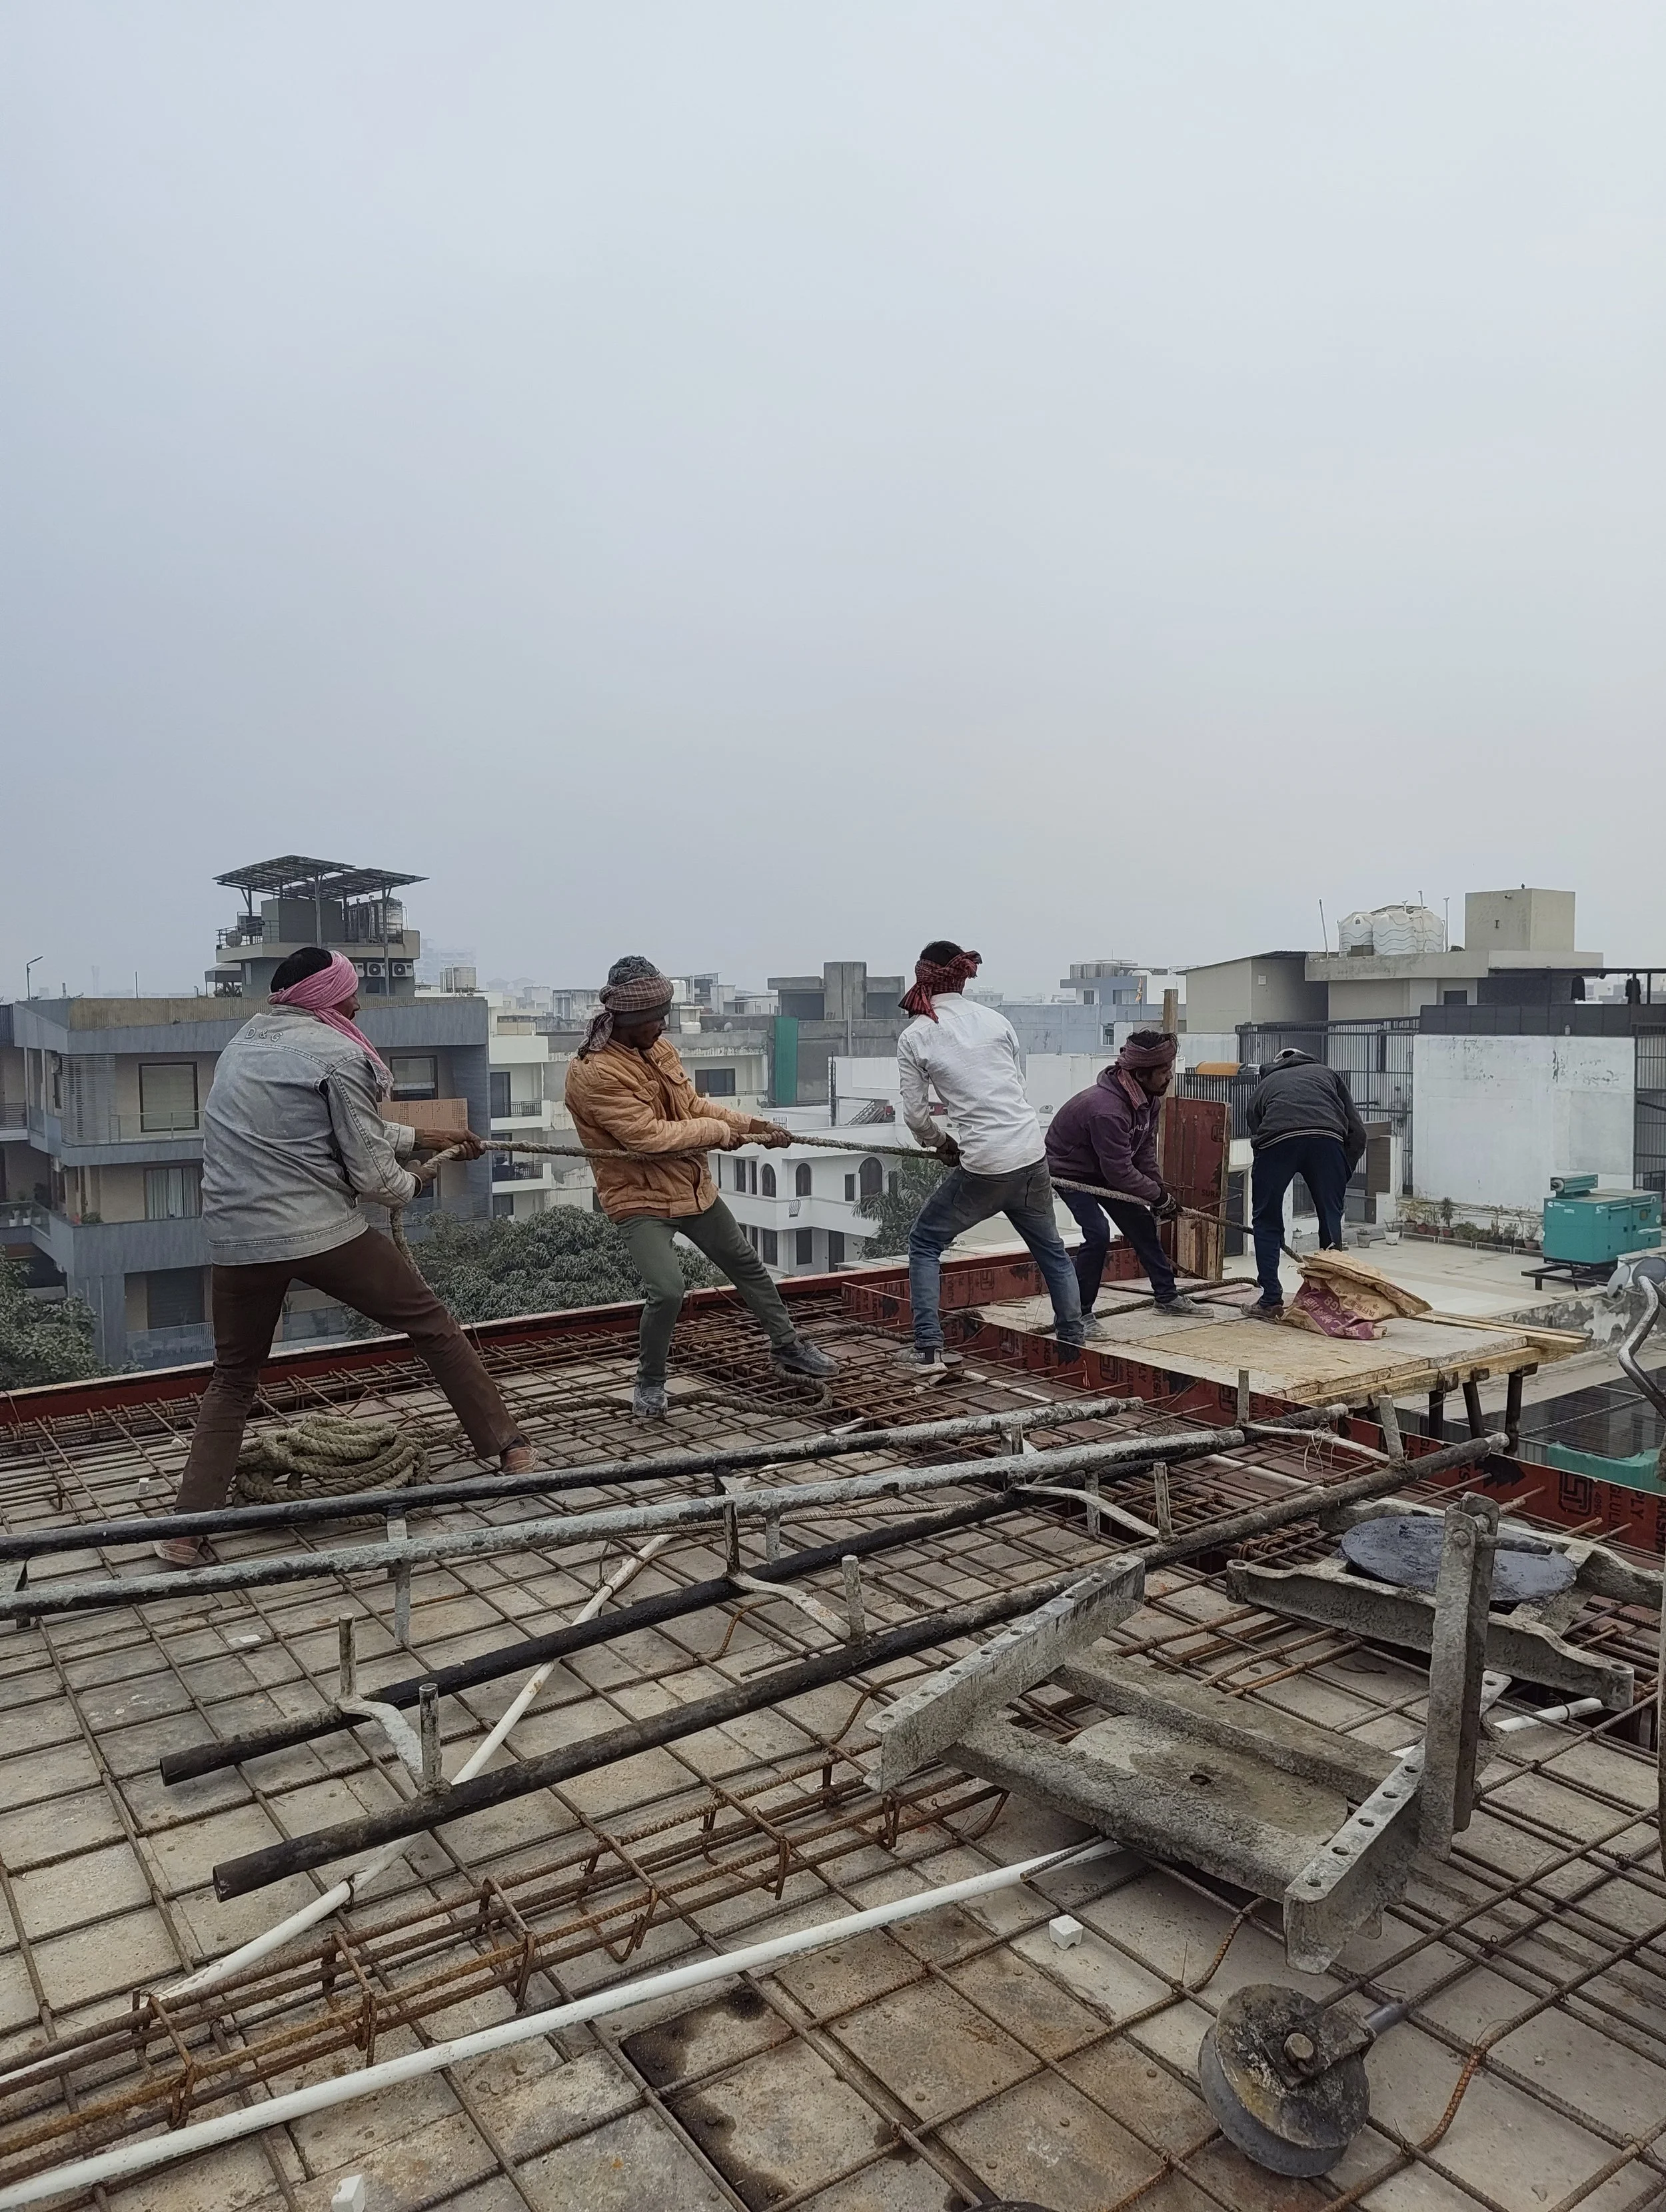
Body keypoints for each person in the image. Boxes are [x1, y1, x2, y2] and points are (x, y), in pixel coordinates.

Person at [162, 948, 535, 1564]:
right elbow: (374, 1175)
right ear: (326, 999)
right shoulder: (340, 1054)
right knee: (432, 1324)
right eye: (350, 994)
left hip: (236, 1240)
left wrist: (428, 1136)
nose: (357, 1005)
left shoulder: (243, 1045)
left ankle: (185, 1530)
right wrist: (416, 1180)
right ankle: (508, 1447)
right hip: (318, 1232)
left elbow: (341, 1126)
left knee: (233, 1378)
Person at [564, 956, 838, 1417]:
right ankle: (650, 1381)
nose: (663, 1025)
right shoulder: (594, 1073)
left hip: (691, 1186)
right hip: (639, 1198)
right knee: (668, 1290)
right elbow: (647, 1137)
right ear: (628, 1017)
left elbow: (692, 1106)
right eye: (655, 1018)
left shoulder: (659, 1049)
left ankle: (788, 1344)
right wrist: (719, 1134)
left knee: (746, 1264)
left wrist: (754, 1126)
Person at [896, 941, 1084, 1371]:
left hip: (983, 1165)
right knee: (1052, 1252)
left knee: (925, 1242)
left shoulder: (916, 1036)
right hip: (1030, 1154)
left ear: (923, 976)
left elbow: (916, 1117)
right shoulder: (996, 1021)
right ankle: (1073, 1343)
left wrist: (941, 1143)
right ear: (962, 978)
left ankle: (927, 1349)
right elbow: (1015, 1087)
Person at [1045, 1032, 1207, 1322]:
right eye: (1163, 1071)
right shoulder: (1107, 1110)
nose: (1169, 1076)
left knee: (1142, 1224)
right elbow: (1119, 1172)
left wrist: (1159, 1193)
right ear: (1141, 1074)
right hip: (1070, 1172)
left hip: (1104, 1168)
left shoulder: (1149, 1100)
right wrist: (1157, 1196)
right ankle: (1078, 1315)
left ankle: (1167, 1297)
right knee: (1097, 1233)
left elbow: (1143, 1152)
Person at [1246, 1047, 1368, 1318]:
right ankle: (1331, 1300)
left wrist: (1268, 1174)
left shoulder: (1266, 1083)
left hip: (1276, 1141)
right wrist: (1341, 1176)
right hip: (1327, 1140)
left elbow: (1256, 1128)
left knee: (1266, 1220)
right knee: (1330, 1216)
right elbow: (1358, 1133)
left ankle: (1270, 1300)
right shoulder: (1328, 1074)